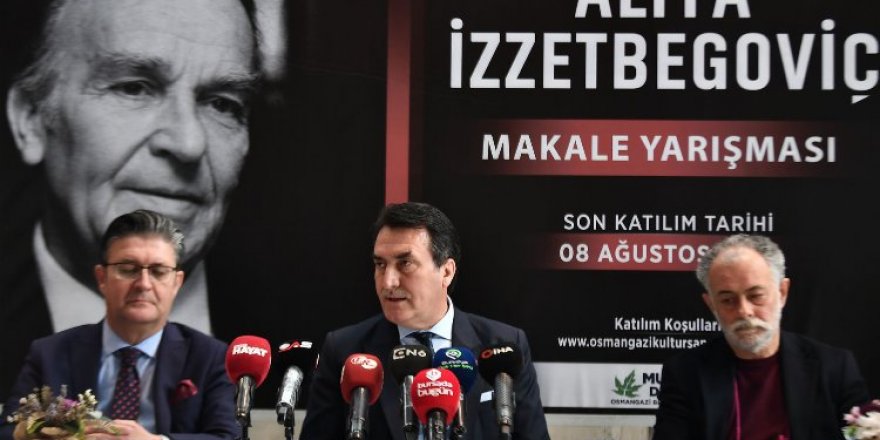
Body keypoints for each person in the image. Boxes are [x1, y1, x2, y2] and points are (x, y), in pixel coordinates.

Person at [0, 0, 261, 401]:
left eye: (221, 103)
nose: (188, 143)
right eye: (134, 87)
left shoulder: (314, 342)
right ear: (31, 119)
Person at [299, 202, 550, 440]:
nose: (388, 282)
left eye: (405, 263)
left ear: (446, 271)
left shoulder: (503, 346)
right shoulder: (344, 350)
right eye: (380, 264)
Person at [0, 209, 237, 440]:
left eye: (158, 271)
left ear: (176, 283)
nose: (144, 284)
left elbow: (228, 436)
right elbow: (8, 430)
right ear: (102, 278)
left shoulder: (211, 357)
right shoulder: (49, 353)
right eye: (128, 270)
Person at [653, 234, 870, 440]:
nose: (744, 311)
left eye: (756, 296)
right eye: (728, 300)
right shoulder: (685, 374)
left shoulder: (834, 368)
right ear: (711, 305)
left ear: (782, 292)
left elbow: (864, 431)